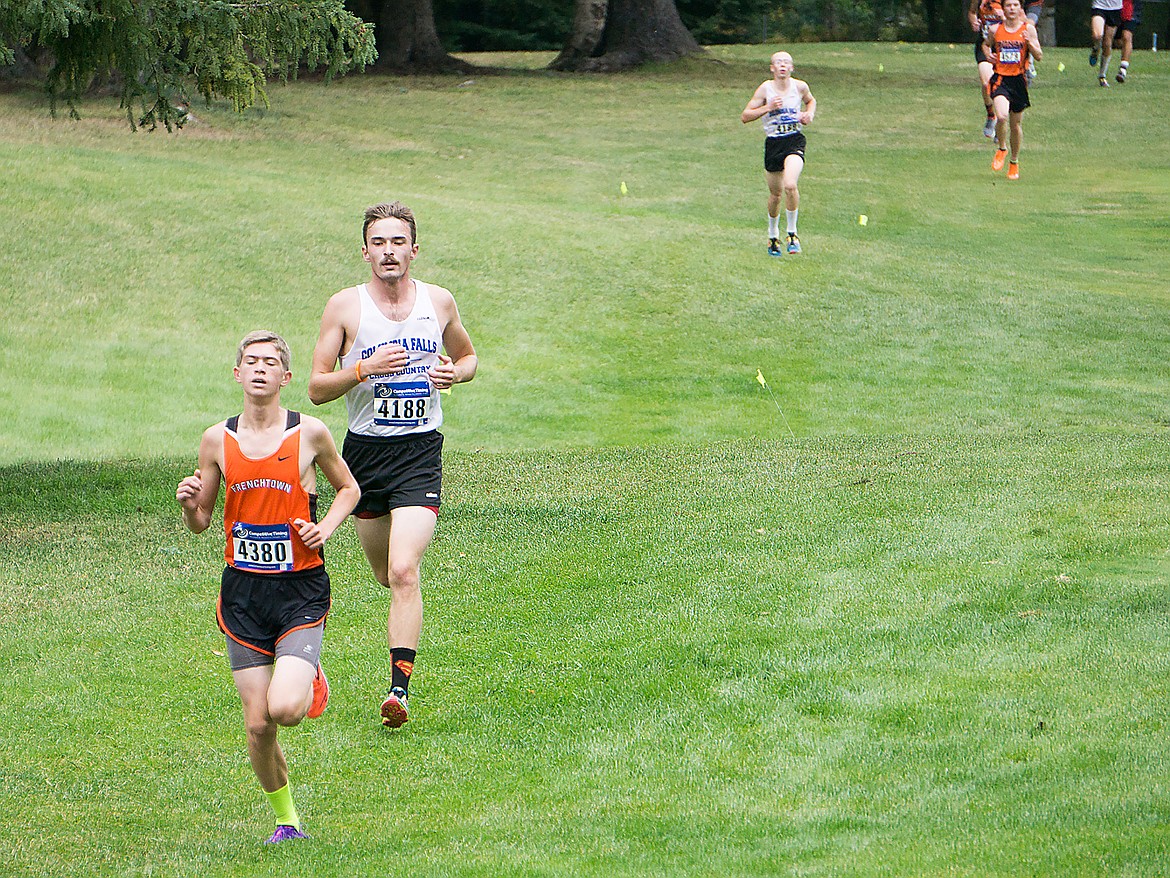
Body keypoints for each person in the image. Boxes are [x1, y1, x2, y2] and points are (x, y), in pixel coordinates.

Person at [176, 331, 361, 844]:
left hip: (300, 592)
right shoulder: (217, 440)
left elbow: (350, 488)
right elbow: (203, 520)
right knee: (259, 726)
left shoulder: (311, 434)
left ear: (286, 377)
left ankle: (308, 677)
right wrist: (189, 503)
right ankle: (288, 822)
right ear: (237, 374)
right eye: (250, 362)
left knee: (284, 710)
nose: (260, 369)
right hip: (243, 597)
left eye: (270, 362)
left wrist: (324, 530)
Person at [309, 201, 478, 729]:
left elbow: (469, 358)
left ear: (413, 249)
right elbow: (315, 388)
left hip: (420, 452)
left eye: (397, 242)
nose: (388, 252)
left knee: (406, 570)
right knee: (385, 574)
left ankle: (398, 691)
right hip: (363, 456)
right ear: (365, 251)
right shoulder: (344, 308)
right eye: (378, 243)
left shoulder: (439, 301)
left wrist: (456, 374)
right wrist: (362, 369)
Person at [741, 50, 816, 257]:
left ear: (791, 68)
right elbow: (745, 116)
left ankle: (792, 234)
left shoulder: (800, 86)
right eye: (778, 62)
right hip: (774, 144)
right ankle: (773, 235)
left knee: (790, 184)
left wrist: (809, 114)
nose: (783, 65)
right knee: (776, 195)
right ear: (772, 68)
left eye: (787, 62)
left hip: (794, 140)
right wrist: (768, 107)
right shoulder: (766, 89)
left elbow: (810, 101)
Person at [985, 0, 1042, 180]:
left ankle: (1014, 162)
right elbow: (985, 44)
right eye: (1008, 5)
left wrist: (1029, 44)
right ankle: (1002, 148)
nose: (1011, 8)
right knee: (1002, 116)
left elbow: (1039, 56)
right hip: (1000, 79)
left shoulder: (1028, 29)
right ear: (1003, 8)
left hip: (1018, 81)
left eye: (1015, 5)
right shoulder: (995, 30)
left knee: (1015, 124)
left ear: (1020, 8)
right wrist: (988, 54)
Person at [969, 0, 1005, 138]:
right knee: (986, 83)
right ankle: (991, 116)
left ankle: (1001, 123)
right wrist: (974, 22)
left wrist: (1004, 17)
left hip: (1005, 46)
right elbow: (972, 12)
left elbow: (1021, 20)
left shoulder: (1008, 2)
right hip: (985, 45)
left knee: (1001, 86)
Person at [1089, 0, 1123, 85]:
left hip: (1115, 9)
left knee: (1107, 44)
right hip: (1099, 6)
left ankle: (1102, 76)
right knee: (1097, 35)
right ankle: (1096, 48)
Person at [1115, 0, 1142, 82]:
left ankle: (1123, 69)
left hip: (1131, 7)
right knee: (1118, 42)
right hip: (1114, 6)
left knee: (1127, 36)